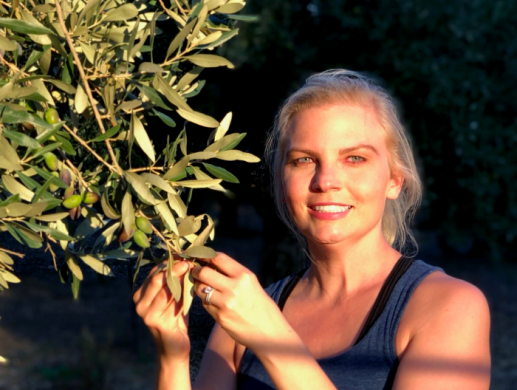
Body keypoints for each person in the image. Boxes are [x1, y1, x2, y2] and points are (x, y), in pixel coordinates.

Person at [133, 70, 491, 390]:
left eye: (355, 158)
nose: (326, 181)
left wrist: (272, 338)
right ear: (282, 182)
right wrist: (174, 355)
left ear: (394, 180)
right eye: (304, 160)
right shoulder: (244, 313)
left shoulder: (449, 307)